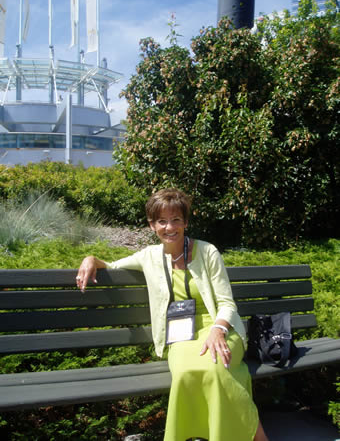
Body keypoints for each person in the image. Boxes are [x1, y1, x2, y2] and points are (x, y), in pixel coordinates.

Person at [76, 188, 269, 441]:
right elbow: (112, 266)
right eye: (162, 221)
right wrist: (90, 258)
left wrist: (217, 330)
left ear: (186, 222)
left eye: (176, 219)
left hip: (220, 328)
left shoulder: (207, 252)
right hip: (180, 334)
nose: (170, 227)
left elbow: (226, 303)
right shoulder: (149, 256)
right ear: (152, 225)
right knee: (186, 373)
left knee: (217, 370)